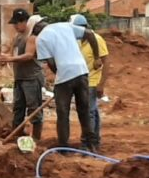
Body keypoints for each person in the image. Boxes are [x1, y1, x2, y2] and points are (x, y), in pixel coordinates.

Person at [35, 19, 101, 150]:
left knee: (63, 113)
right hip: (82, 71)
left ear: (36, 29)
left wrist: (59, 74)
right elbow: (89, 33)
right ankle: (90, 145)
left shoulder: (41, 38)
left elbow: (51, 62)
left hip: (65, 75)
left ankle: (64, 147)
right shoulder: (65, 25)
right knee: (84, 110)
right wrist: (97, 57)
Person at [0, 9, 45, 141]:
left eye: (17, 23)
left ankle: (37, 139)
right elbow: (12, 55)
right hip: (20, 77)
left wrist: (9, 59)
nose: (15, 26)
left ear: (25, 22)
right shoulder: (17, 37)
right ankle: (17, 134)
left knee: (34, 109)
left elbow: (29, 55)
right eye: (14, 23)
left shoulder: (32, 36)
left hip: (31, 78)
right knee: (18, 107)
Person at [69, 13, 109, 149]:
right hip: (83, 80)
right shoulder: (79, 42)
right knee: (93, 112)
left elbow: (106, 62)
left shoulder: (97, 40)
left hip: (93, 82)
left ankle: (88, 143)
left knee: (88, 112)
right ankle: (95, 141)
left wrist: (101, 84)